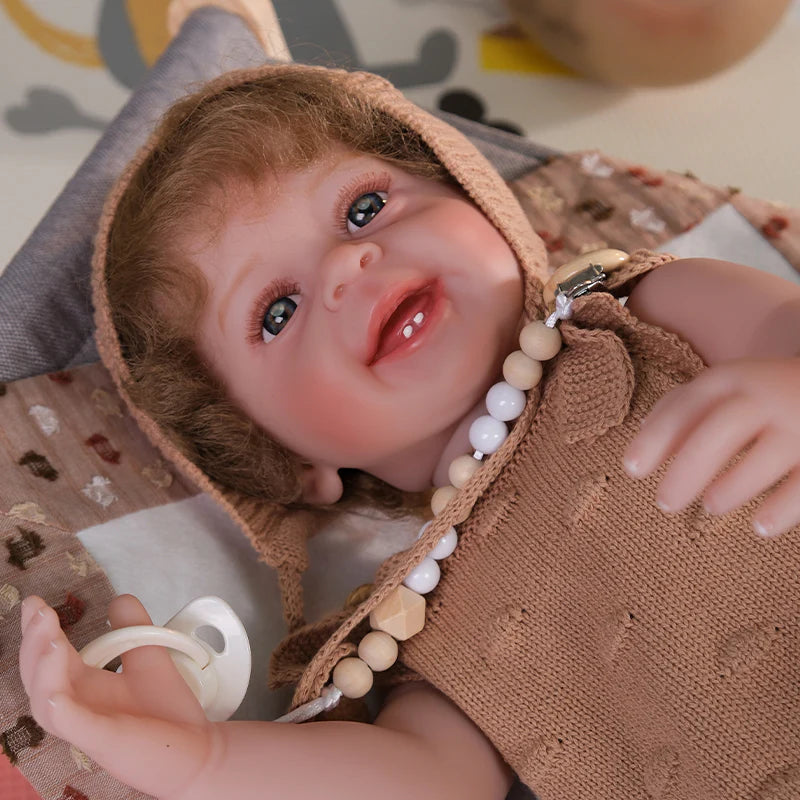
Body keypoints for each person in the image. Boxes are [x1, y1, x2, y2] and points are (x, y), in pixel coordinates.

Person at [18, 64, 800, 800]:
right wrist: (202, 760)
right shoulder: (423, 621)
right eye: (278, 311)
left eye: (364, 208)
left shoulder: (644, 313)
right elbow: (431, 781)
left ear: (479, 200)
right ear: (288, 462)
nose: (349, 265)